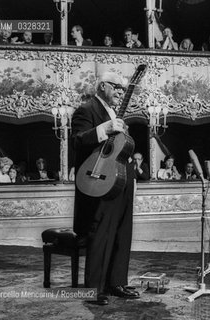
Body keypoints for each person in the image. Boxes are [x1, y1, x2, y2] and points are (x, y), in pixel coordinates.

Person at [71, 72, 139, 305]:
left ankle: (116, 282)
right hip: (100, 179)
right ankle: (93, 289)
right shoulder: (86, 109)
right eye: (117, 88)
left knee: (122, 230)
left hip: (122, 180)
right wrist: (105, 128)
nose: (121, 92)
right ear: (102, 86)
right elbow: (78, 140)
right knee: (100, 232)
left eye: (123, 89)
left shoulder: (115, 113)